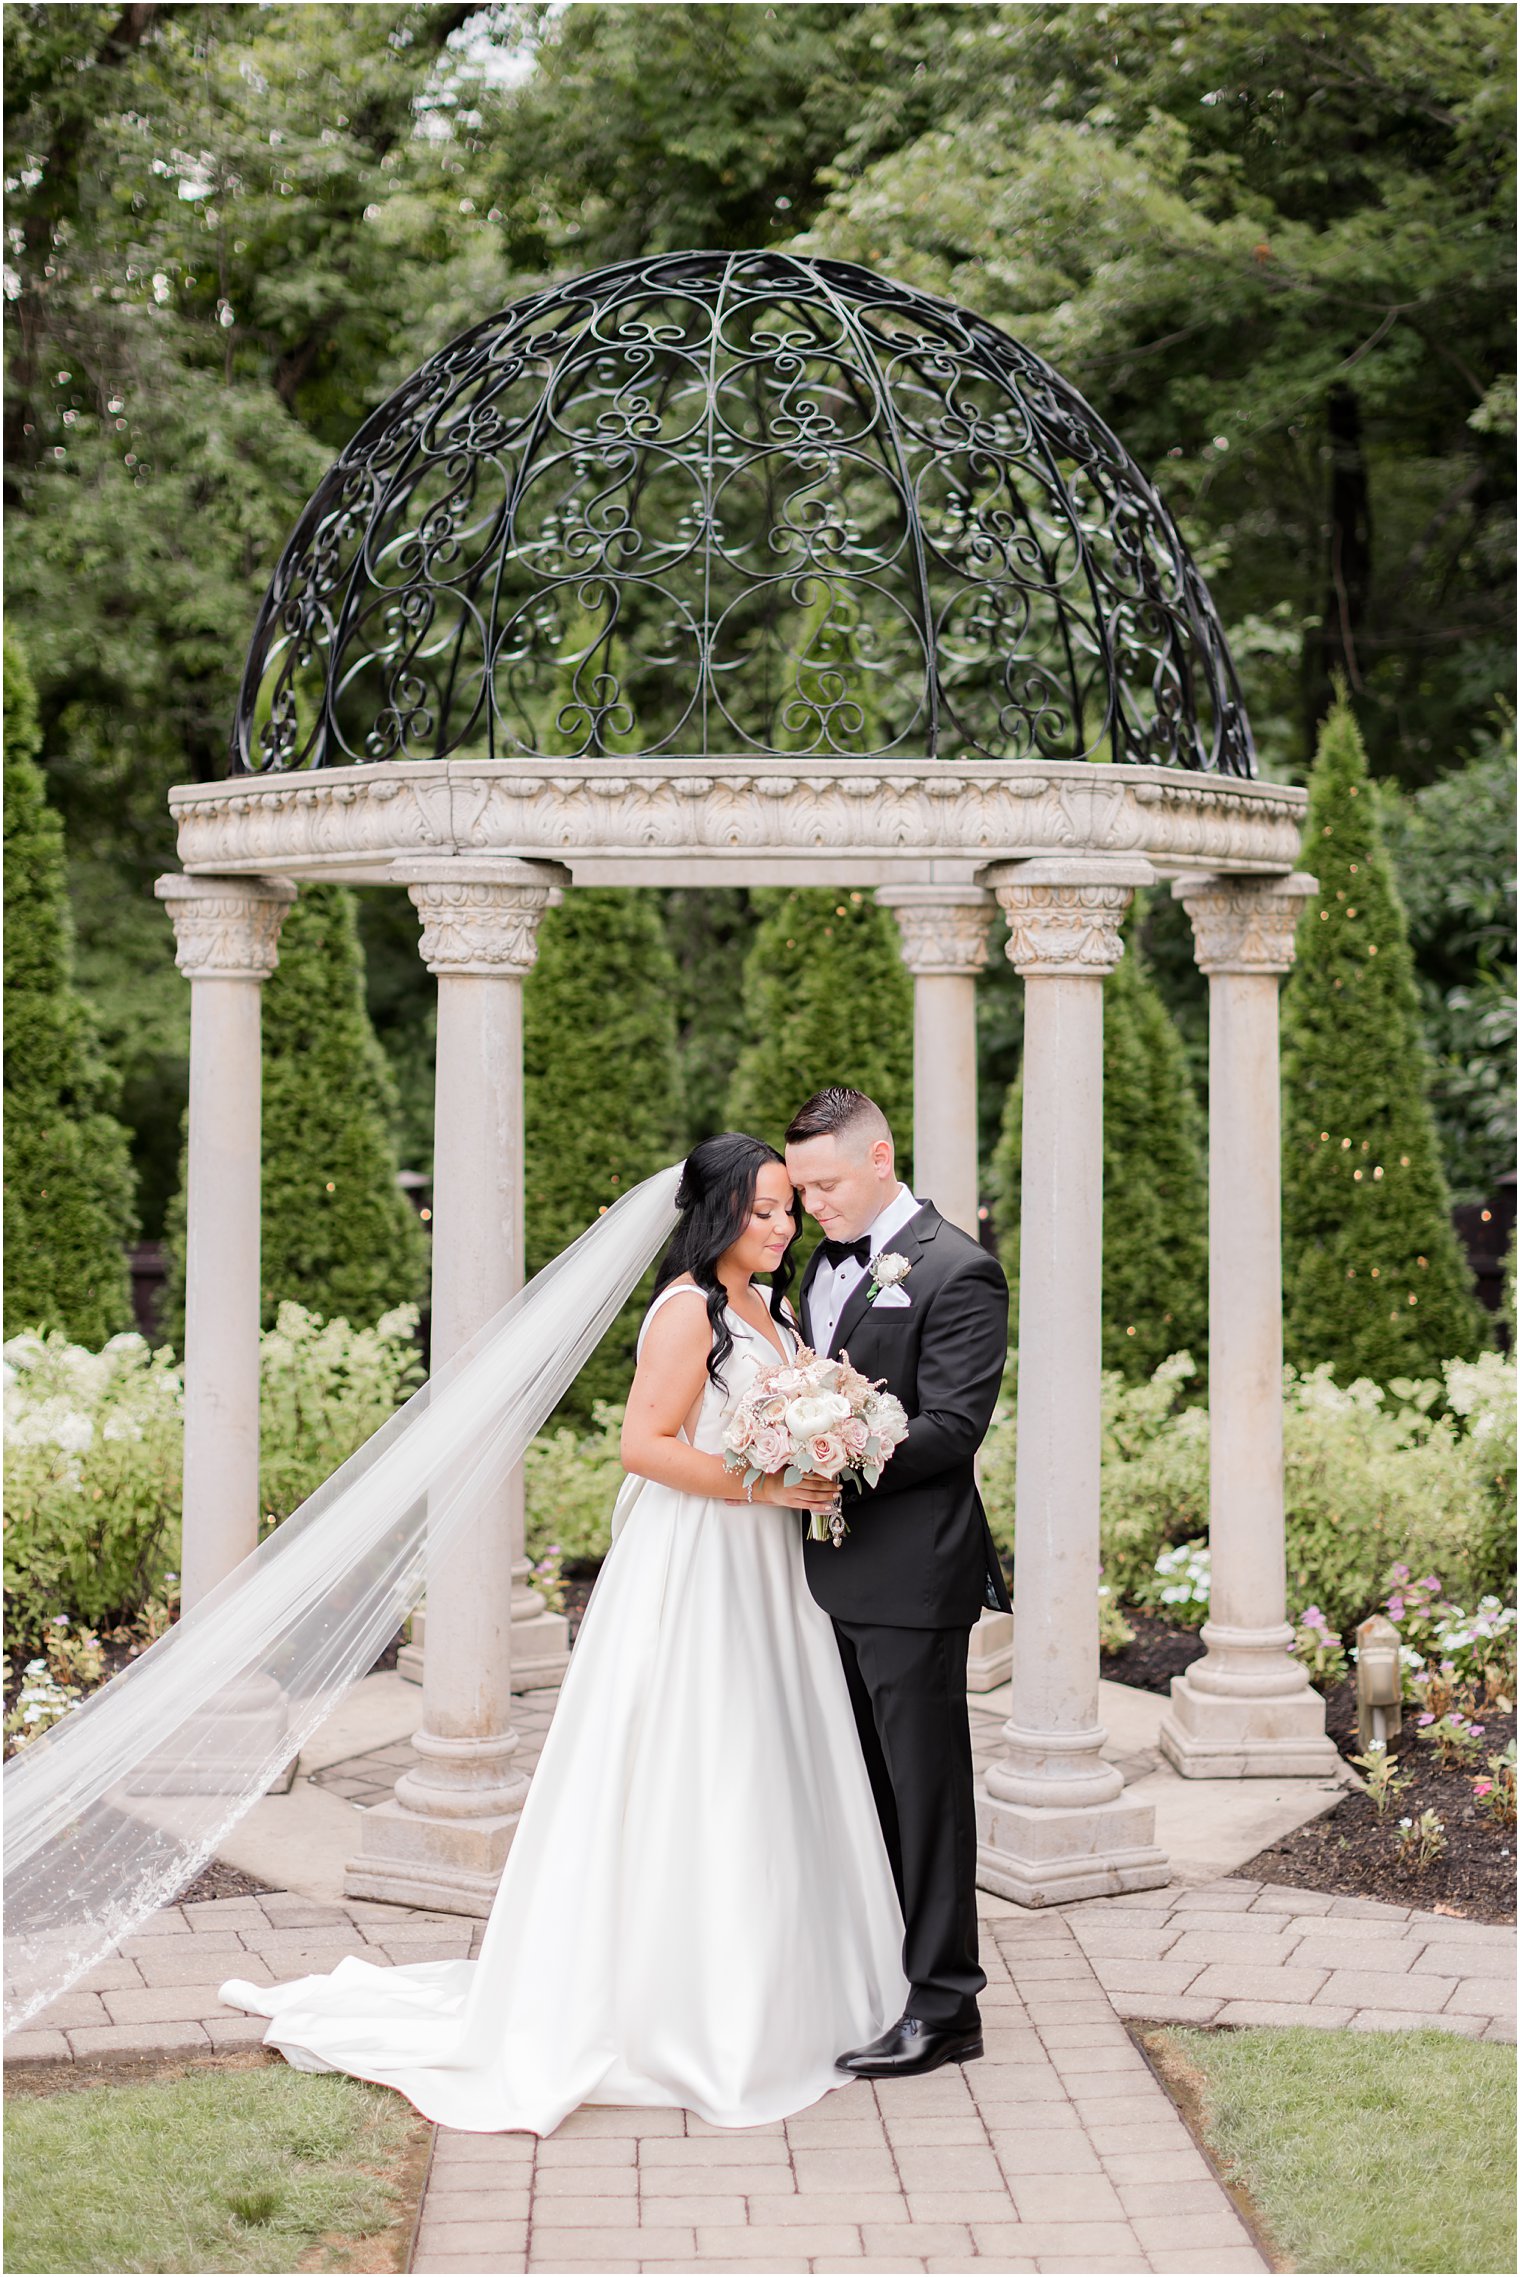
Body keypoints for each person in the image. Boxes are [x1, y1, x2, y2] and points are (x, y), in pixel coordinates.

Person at [219, 1133, 909, 2134]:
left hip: (767, 1567)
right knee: (703, 1757)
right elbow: (644, 1446)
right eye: (761, 1210)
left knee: (774, 1756)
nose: (780, 1225)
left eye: (785, 1209)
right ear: (716, 1214)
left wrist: (829, 1440)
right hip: (700, 1563)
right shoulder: (684, 1313)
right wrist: (763, 1480)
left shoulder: (776, 1305)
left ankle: (792, 1989)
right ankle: (682, 2011)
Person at [785, 1086, 1011, 2082]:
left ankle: (944, 2004)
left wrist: (833, 1459)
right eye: (799, 1190)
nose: (810, 1208)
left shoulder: (958, 1269)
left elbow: (953, 1426)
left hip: (914, 1574)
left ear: (878, 1160)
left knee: (925, 1794)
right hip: (824, 1573)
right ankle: (881, 1970)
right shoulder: (812, 1269)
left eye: (824, 1185)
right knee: (861, 1785)